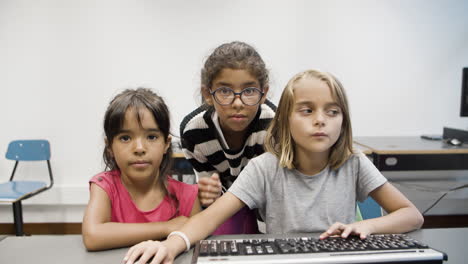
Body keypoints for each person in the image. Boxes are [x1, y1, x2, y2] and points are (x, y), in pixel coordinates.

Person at [124, 69, 424, 264]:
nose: (321, 120)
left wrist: (365, 226)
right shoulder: (264, 168)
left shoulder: (353, 161)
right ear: (285, 120)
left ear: (342, 120)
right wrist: (171, 244)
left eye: (332, 112)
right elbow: (209, 219)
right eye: (307, 110)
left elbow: (411, 215)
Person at [82, 88, 201, 251]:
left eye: (151, 137)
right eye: (125, 138)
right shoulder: (104, 186)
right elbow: (93, 236)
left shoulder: (188, 196)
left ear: (166, 143)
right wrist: (166, 227)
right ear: (109, 146)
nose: (139, 148)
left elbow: (196, 246)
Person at [179, 41, 276, 234]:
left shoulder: (275, 127)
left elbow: (276, 191)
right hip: (226, 212)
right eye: (224, 91)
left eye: (249, 91)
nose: (238, 103)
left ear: (263, 93)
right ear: (207, 94)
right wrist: (209, 192)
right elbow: (211, 192)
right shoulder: (194, 133)